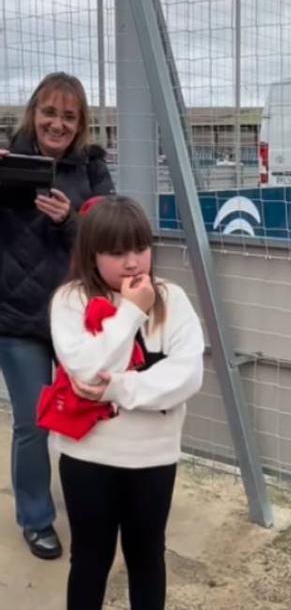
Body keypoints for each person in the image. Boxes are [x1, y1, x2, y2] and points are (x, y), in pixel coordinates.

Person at [49, 196, 204, 610]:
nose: (133, 262)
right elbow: (85, 370)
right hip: (88, 456)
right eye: (117, 253)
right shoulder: (70, 300)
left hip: (152, 457)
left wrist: (119, 389)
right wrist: (131, 313)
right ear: (91, 255)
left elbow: (186, 375)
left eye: (140, 248)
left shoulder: (172, 299)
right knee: (89, 558)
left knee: (147, 556)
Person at [0, 72, 114, 560]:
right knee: (33, 421)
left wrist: (71, 220)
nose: (57, 123)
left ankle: (90, 502)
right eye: (49, 112)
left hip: (76, 318)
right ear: (33, 113)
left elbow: (112, 234)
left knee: (88, 412)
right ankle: (36, 516)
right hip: (16, 318)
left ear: (81, 123)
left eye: (69, 116)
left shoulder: (90, 167)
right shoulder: (6, 161)